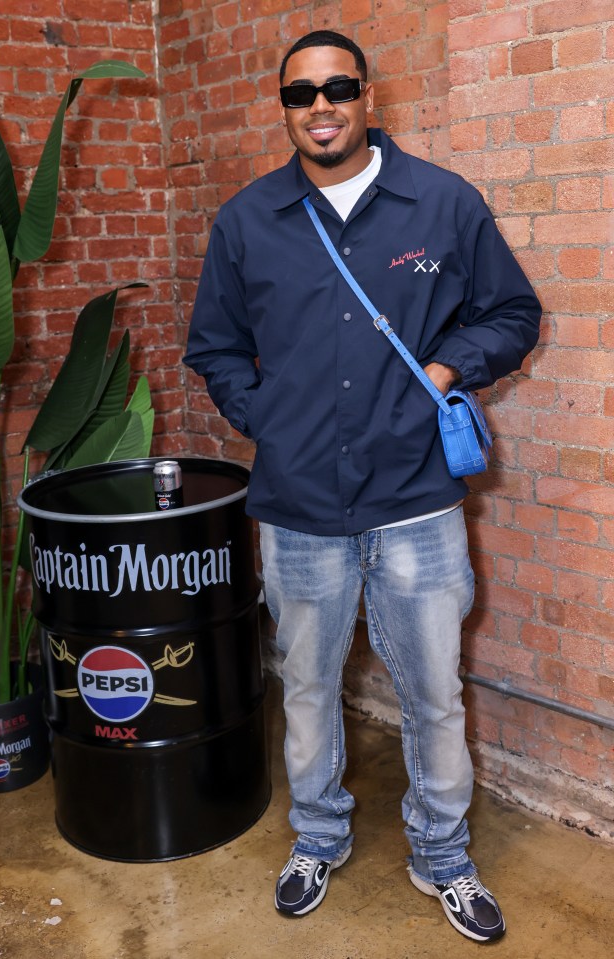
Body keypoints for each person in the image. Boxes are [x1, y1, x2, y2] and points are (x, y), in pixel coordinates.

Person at [184, 30, 541, 944]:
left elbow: (512, 310)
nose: (321, 106)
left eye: (338, 86)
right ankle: (318, 836)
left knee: (432, 688)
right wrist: (263, 414)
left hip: (418, 498)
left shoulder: (441, 203)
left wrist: (449, 369)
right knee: (305, 686)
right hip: (299, 507)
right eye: (301, 94)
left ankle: (443, 853)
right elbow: (215, 346)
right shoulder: (247, 220)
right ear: (286, 107)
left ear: (367, 94)